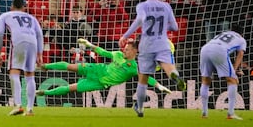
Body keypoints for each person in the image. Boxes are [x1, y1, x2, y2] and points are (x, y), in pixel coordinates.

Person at [119, 0, 186, 117]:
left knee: (143, 79)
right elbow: (175, 27)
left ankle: (141, 108)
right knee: (168, 67)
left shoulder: (142, 6)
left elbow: (139, 21)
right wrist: (161, 30)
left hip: (147, 44)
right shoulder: (166, 6)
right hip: (162, 42)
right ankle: (175, 76)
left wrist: (125, 36)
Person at [36, 38, 171, 96]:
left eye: (127, 49)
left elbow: (146, 79)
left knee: (71, 88)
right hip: (97, 69)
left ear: (135, 51)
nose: (124, 50)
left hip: (99, 83)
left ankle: (44, 92)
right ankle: (45, 66)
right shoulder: (118, 54)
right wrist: (88, 44)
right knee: (71, 66)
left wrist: (159, 86)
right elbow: (102, 52)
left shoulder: (134, 68)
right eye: (124, 48)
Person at [0, 0, 44, 116]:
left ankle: (18, 105)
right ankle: (30, 108)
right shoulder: (32, 18)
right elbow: (39, 35)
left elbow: (0, 33)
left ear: (11, 6)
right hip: (33, 43)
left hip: (18, 42)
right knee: (29, 75)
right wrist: (40, 53)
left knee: (14, 72)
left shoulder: (5, 15)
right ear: (24, 7)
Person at [200, 27, 247, 120]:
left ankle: (204, 113)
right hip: (219, 50)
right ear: (242, 33)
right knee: (232, 80)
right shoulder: (241, 39)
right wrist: (234, 70)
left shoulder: (223, 33)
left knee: (205, 81)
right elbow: (240, 54)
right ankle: (230, 113)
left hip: (205, 49)